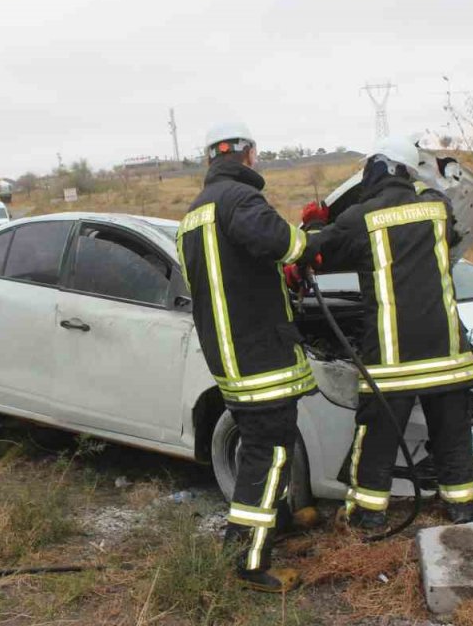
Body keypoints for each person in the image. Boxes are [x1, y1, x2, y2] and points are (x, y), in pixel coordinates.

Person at [293, 135, 473, 530]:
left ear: (378, 169)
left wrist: (315, 221)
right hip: (448, 354)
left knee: (377, 438)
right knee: (453, 435)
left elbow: (314, 251)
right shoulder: (438, 208)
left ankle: (368, 516)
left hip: (392, 361)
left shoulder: (360, 217)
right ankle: (463, 508)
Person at [176, 121, 315, 593]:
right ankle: (249, 562)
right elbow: (282, 243)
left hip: (229, 358)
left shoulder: (193, 216)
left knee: (265, 446)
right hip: (260, 356)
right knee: (267, 453)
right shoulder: (240, 200)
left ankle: (271, 528)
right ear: (250, 155)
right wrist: (308, 240)